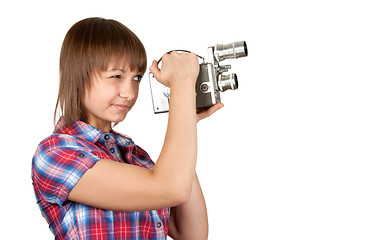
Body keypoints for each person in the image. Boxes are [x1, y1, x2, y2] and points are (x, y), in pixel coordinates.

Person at [31, 17, 223, 240]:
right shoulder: (55, 153)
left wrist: (187, 119)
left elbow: (191, 234)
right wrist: (181, 85)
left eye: (136, 78)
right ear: (79, 75)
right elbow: (171, 188)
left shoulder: (136, 157)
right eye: (116, 76)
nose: (129, 93)